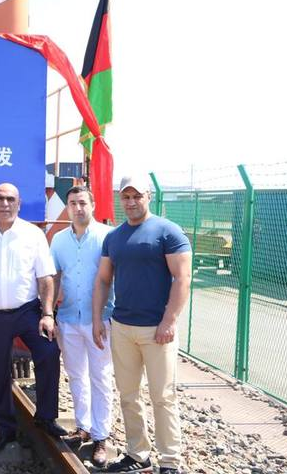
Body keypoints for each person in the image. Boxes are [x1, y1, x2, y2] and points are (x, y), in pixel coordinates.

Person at [93, 175, 191, 474]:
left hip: (156, 330)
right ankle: (138, 453)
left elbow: (182, 278)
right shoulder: (114, 237)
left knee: (162, 396)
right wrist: (98, 318)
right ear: (119, 199)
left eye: (137, 196)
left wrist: (169, 321)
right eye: (126, 197)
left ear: (148, 196)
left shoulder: (168, 232)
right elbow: (103, 279)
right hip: (122, 327)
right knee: (128, 394)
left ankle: (170, 461)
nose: (131, 202)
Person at [0, 182, 67, 453]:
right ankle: (5, 429)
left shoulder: (33, 235)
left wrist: (48, 314)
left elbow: (46, 277)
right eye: (0, 199)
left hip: (27, 311)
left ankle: (46, 417)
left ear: (19, 203)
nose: (5, 204)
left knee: (49, 352)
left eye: (10, 199)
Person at [50, 185, 114, 468]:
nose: (78, 208)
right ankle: (83, 426)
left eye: (83, 203)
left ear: (93, 205)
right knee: (76, 376)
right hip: (68, 318)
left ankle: (101, 436)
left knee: (100, 376)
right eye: (73, 203)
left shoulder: (107, 237)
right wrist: (49, 312)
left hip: (99, 320)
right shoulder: (59, 240)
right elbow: (54, 276)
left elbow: (115, 277)